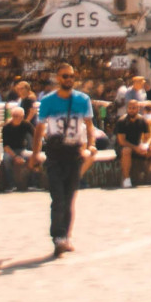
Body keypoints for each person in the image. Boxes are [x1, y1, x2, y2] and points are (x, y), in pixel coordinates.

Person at [31, 62, 97, 256]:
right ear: (57, 78)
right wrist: (35, 153)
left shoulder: (83, 100)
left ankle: (66, 236)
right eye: (64, 76)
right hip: (55, 153)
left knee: (69, 199)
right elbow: (39, 128)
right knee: (57, 197)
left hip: (74, 153)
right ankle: (58, 237)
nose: (68, 79)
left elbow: (89, 125)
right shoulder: (48, 101)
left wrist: (91, 145)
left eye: (71, 76)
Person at [116, 100, 151, 187]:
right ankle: (126, 179)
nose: (131, 110)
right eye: (130, 108)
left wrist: (145, 145)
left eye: (134, 108)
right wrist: (136, 148)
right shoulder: (121, 121)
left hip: (137, 146)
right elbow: (122, 141)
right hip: (123, 147)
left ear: (138, 109)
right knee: (127, 150)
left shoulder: (142, 120)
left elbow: (148, 137)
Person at [0, 101, 37, 192]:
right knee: (6, 159)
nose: (17, 118)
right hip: (10, 150)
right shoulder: (6, 127)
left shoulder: (26, 124)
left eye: (19, 116)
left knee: (34, 157)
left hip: (22, 149)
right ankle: (11, 185)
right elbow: (6, 146)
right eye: (15, 116)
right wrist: (15, 157)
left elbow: (36, 135)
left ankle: (33, 183)